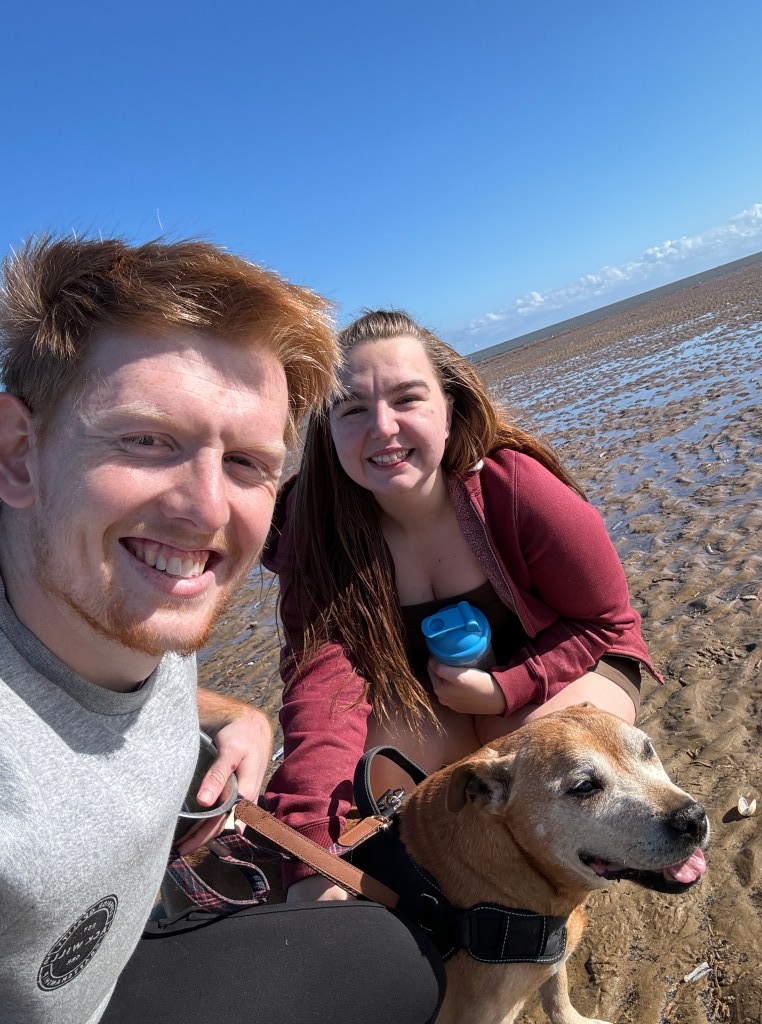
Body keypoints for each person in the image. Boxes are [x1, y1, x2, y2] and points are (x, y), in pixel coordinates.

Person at [0, 245, 444, 1024]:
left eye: (246, 461)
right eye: (147, 440)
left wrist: (233, 714)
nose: (206, 510)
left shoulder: (113, 587)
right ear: (18, 453)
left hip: (126, 955)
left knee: (394, 954)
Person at [262, 309, 662, 901]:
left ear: (450, 410)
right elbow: (322, 691)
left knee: (540, 763)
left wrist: (507, 688)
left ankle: (562, 898)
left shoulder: (515, 490)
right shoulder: (316, 534)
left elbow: (605, 620)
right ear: (328, 431)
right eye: (352, 409)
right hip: (427, 695)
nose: (383, 427)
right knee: (384, 778)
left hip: (572, 664)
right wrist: (308, 848)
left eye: (407, 399)